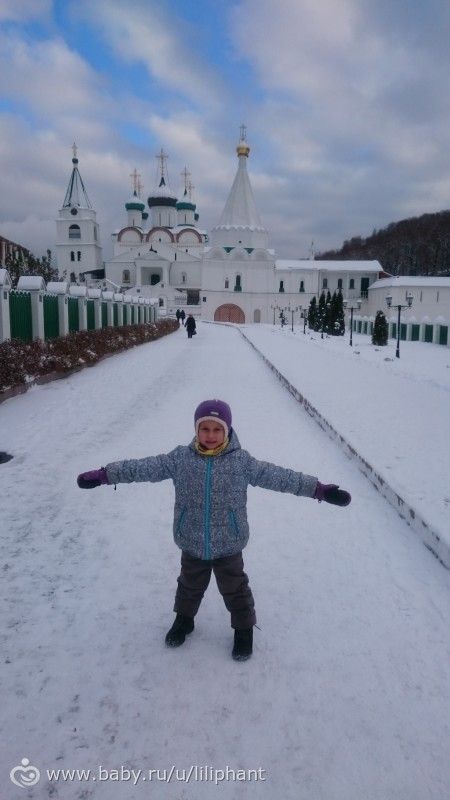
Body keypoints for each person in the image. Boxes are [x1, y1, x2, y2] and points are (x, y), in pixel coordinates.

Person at [77, 399, 351, 661]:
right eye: (204, 428)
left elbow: (280, 477)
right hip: (192, 540)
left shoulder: (241, 462)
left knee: (235, 589)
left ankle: (243, 630)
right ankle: (184, 620)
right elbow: (141, 468)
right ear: (196, 430)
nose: (210, 435)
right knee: (188, 586)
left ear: (227, 431)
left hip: (229, 543)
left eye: (217, 429)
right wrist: (104, 475)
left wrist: (319, 489)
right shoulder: (180, 459)